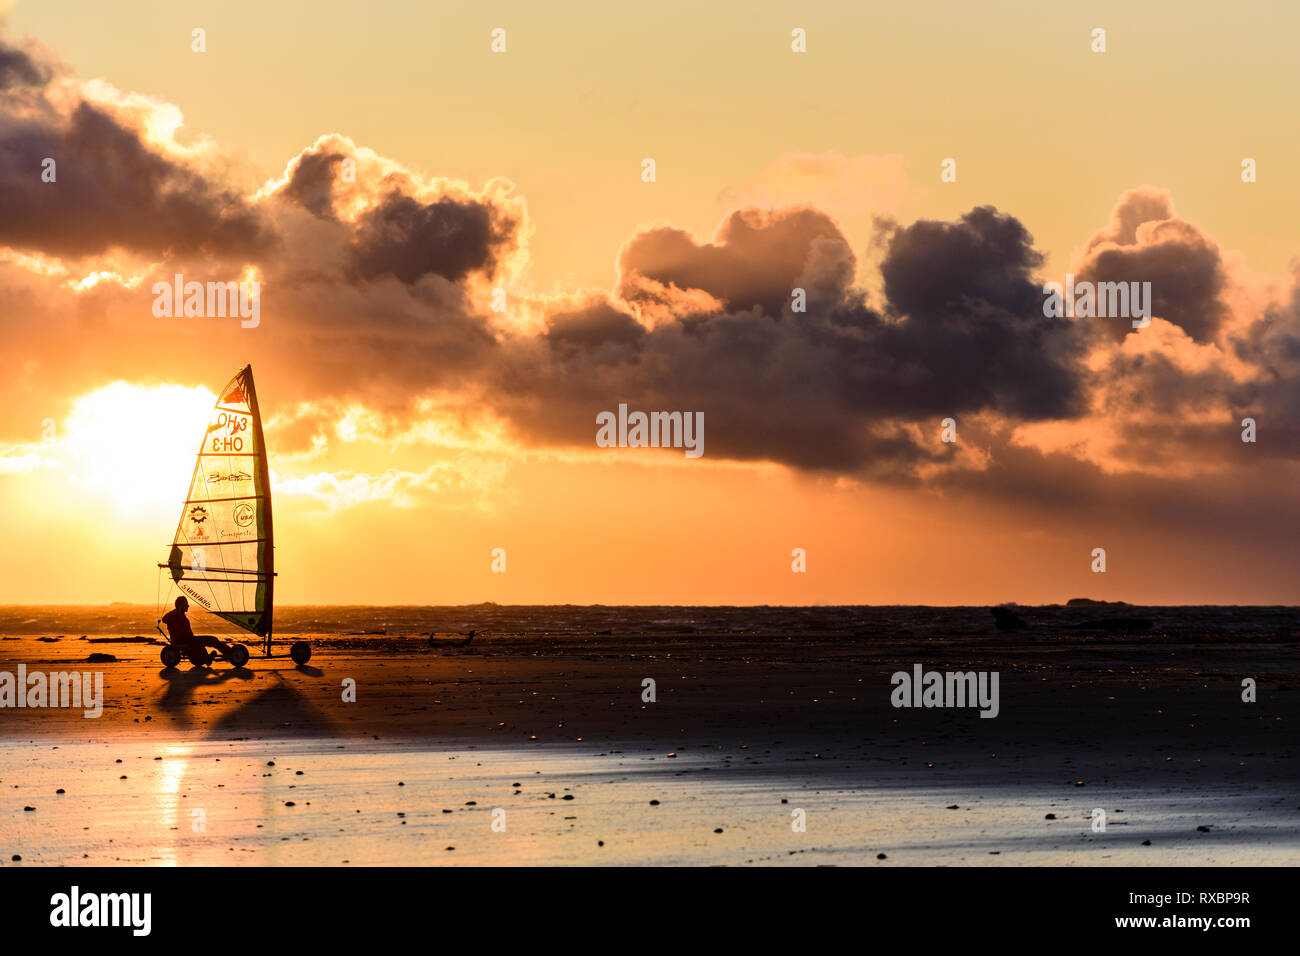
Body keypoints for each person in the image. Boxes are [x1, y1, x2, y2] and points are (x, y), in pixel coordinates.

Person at [161, 596, 234, 666]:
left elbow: (164, 619)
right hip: (185, 640)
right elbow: (165, 620)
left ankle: (208, 658)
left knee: (204, 642)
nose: (188, 606)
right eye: (186, 604)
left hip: (187, 640)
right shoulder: (175, 614)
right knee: (212, 639)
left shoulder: (178, 614)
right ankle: (230, 653)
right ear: (181, 605)